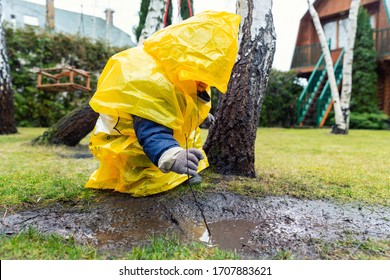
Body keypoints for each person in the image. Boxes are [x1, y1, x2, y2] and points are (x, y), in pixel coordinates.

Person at [85, 11, 241, 196]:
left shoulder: (185, 78)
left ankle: (184, 170)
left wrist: (201, 116)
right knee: (143, 174)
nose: (204, 84)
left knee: (188, 141)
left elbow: (184, 104)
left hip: (172, 143)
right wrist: (171, 155)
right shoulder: (153, 84)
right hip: (143, 154)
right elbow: (152, 129)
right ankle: (172, 164)